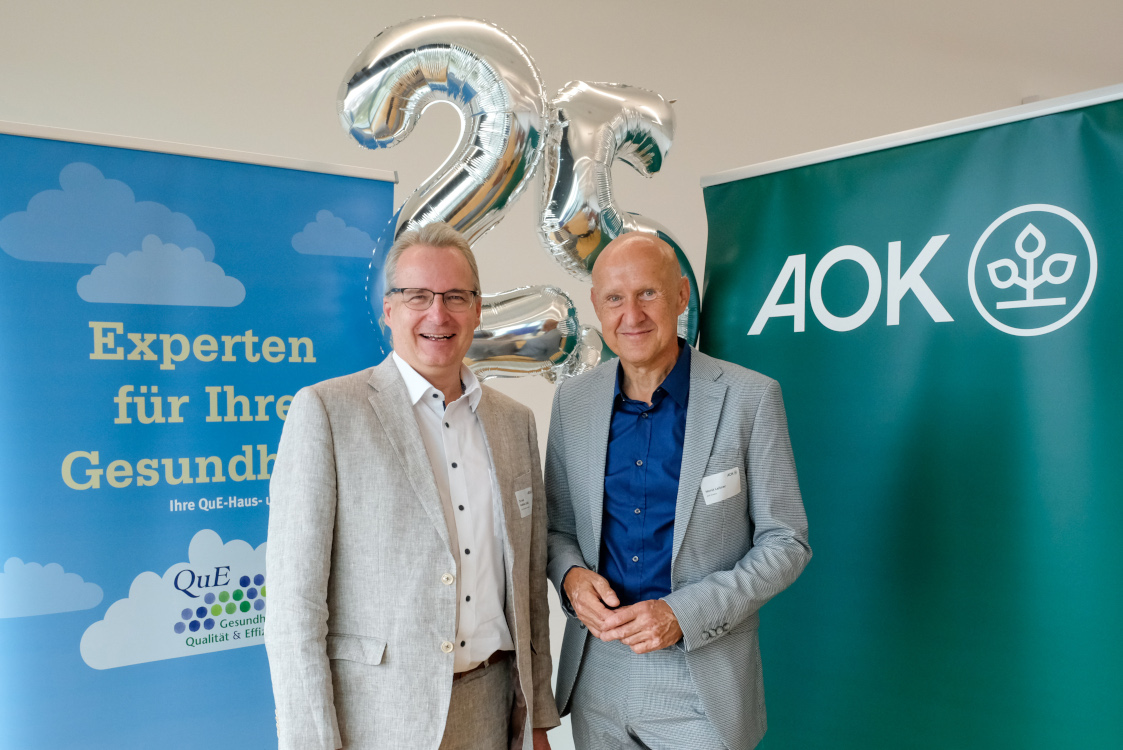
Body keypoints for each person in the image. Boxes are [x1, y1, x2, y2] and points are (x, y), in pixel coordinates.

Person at [265, 222, 559, 750]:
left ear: (477, 309)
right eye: (417, 296)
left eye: (455, 297)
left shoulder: (515, 423)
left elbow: (529, 589)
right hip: (378, 719)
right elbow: (295, 608)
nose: (437, 314)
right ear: (389, 310)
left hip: (492, 710)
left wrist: (536, 718)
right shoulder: (328, 412)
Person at [545, 232, 811, 749]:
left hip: (701, 678)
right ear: (596, 305)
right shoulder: (572, 401)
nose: (632, 315)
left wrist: (681, 615)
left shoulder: (750, 397)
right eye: (615, 299)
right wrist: (572, 579)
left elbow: (786, 542)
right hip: (597, 672)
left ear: (682, 295)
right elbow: (556, 530)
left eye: (648, 293)